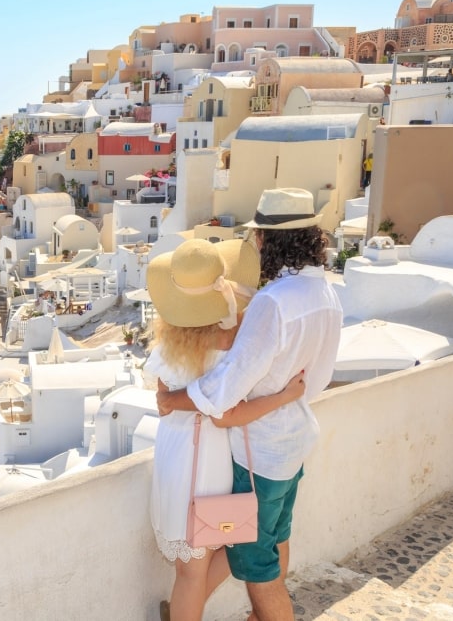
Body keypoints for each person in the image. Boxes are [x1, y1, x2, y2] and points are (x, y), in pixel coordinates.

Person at [157, 188, 343, 621]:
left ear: (264, 241)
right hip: (294, 440)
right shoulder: (326, 295)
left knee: (257, 567)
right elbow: (318, 377)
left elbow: (222, 393)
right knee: (277, 539)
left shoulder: (272, 303)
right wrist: (287, 396)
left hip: (259, 451)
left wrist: (171, 400)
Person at [145, 238, 307, 621]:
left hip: (176, 456)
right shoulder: (233, 349)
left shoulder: (169, 346)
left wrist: (173, 401)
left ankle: (186, 611)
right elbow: (230, 413)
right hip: (211, 462)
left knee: (194, 567)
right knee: (217, 556)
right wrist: (287, 396)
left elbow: (164, 398)